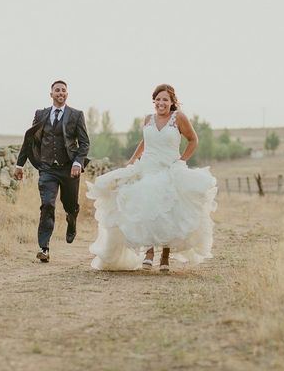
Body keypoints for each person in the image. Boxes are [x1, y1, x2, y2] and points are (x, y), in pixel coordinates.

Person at [87, 84, 217, 272]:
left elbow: (193, 140)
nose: (161, 103)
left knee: (167, 210)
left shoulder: (178, 118)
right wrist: (133, 159)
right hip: (147, 167)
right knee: (145, 206)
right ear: (153, 101)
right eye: (158, 99)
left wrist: (181, 161)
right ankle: (149, 253)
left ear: (172, 102)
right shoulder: (148, 119)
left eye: (165, 99)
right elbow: (145, 141)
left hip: (169, 167)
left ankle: (164, 256)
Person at [14, 80, 90, 263]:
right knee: (47, 205)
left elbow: (84, 143)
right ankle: (44, 248)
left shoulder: (76, 115)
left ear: (67, 94)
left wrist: (78, 163)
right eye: (57, 90)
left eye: (63, 90)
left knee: (70, 205)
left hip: (69, 169)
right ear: (51, 94)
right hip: (47, 169)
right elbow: (30, 139)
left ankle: (71, 221)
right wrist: (20, 164)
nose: (60, 93)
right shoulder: (40, 114)